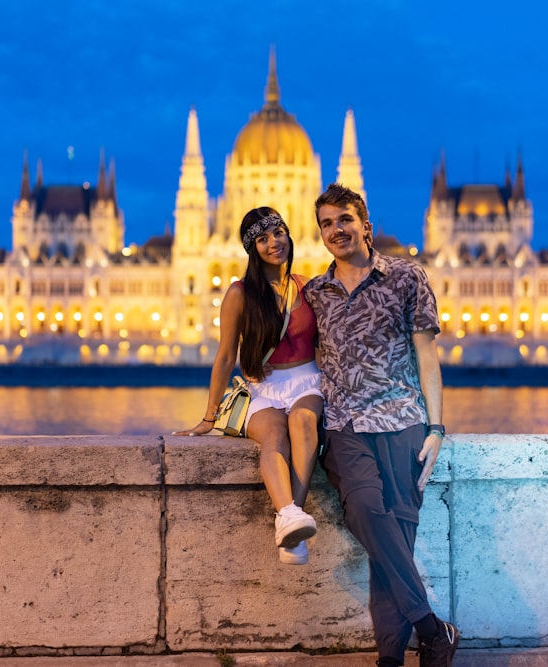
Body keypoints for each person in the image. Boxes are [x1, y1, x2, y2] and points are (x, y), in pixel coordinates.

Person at [302, 183, 459, 667]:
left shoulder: (407, 277)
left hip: (403, 421)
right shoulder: (314, 292)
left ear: (365, 225)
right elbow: (288, 360)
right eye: (326, 223)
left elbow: (426, 356)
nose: (336, 230)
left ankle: (390, 659)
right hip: (345, 426)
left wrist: (436, 429)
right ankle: (434, 628)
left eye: (343, 220)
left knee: (392, 547)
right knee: (367, 512)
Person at [174, 207, 324, 565]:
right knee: (273, 436)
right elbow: (226, 356)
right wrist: (209, 416)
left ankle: (290, 515)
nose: (275, 243)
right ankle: (290, 524)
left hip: (306, 379)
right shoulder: (240, 294)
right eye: (263, 238)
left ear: (290, 234)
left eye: (279, 233)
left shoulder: (309, 287)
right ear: (251, 248)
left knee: (303, 423)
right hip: (265, 385)